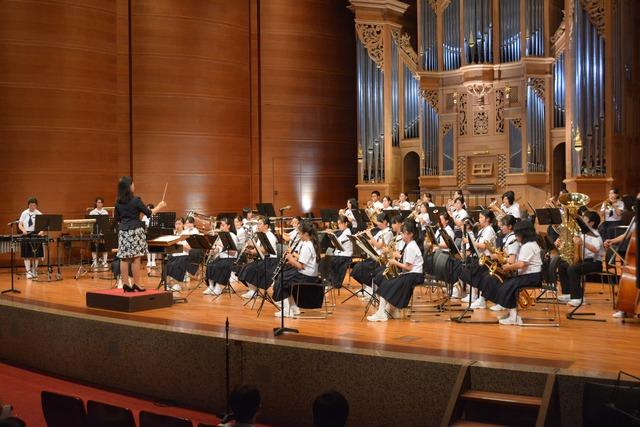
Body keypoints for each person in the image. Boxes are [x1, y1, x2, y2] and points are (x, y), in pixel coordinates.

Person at [114, 176, 166, 292]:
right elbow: (149, 212)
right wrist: (159, 206)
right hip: (135, 230)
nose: (134, 186)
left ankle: (126, 284)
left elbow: (117, 219)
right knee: (135, 258)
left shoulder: (117, 202)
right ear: (129, 187)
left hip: (123, 231)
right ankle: (136, 284)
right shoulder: (136, 200)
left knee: (124, 258)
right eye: (132, 184)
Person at [367, 221, 424, 322]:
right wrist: (399, 256)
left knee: (386, 284)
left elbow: (408, 267)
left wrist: (394, 262)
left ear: (410, 234)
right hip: (412, 274)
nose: (401, 235)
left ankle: (381, 313)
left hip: (413, 276)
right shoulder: (411, 244)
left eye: (403, 233)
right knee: (386, 281)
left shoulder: (411, 247)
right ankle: (392, 311)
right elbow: (409, 262)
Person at [556, 210, 605, 307]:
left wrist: (582, 243)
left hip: (595, 263)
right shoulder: (583, 234)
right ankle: (568, 293)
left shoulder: (596, 234)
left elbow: (595, 249)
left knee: (573, 269)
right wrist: (561, 243)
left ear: (592, 223)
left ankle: (578, 298)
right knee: (562, 266)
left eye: (585, 219)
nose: (581, 221)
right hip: (583, 261)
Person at [273, 220, 321, 317]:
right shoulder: (310, 243)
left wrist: (290, 259)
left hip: (307, 276)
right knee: (285, 276)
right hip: (308, 273)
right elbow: (304, 260)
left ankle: (286, 310)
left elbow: (301, 266)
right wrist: (293, 256)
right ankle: (293, 308)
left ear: (306, 234)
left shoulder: (307, 246)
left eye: (299, 233)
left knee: (282, 280)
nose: (298, 235)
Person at [350, 213, 394, 299]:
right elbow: (371, 242)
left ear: (385, 221)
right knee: (357, 268)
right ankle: (368, 288)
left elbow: (378, 245)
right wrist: (361, 237)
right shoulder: (380, 232)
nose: (377, 223)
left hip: (380, 259)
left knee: (361, 268)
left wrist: (370, 235)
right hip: (373, 256)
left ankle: (370, 289)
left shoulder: (388, 232)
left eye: (379, 221)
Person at [238, 216, 279, 300]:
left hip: (271, 261)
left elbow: (264, 250)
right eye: (258, 224)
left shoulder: (270, 236)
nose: (258, 226)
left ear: (266, 226)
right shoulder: (261, 235)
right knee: (245, 267)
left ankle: (253, 291)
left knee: (250, 268)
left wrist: (253, 247)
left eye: (260, 224)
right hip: (263, 259)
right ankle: (252, 289)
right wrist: (250, 249)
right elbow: (258, 249)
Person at [204, 217, 239, 296]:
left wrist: (222, 245)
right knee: (210, 264)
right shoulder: (220, 236)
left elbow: (233, 252)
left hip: (230, 258)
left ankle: (218, 287)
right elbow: (219, 250)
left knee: (220, 265)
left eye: (223, 225)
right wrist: (214, 250)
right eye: (221, 225)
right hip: (221, 257)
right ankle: (211, 286)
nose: (221, 227)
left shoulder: (232, 236)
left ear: (229, 226)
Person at [165, 216, 200, 291]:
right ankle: (168, 284)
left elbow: (189, 248)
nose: (177, 226)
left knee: (176, 264)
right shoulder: (174, 234)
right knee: (167, 264)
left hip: (183, 256)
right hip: (174, 255)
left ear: (183, 225)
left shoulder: (186, 234)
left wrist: (178, 242)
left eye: (179, 224)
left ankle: (177, 284)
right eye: (176, 224)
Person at [18, 197, 43, 279]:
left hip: (36, 234)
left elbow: (43, 227)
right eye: (31, 205)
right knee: (27, 254)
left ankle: (34, 270)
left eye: (34, 205)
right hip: (26, 234)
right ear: (28, 205)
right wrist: (23, 230)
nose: (32, 207)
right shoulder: (24, 213)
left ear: (36, 206)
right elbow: (20, 224)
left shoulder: (39, 214)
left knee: (36, 255)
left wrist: (41, 231)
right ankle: (28, 272)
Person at [328, 215, 353, 288]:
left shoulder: (347, 232)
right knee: (326, 259)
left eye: (340, 223)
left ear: (346, 223)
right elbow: (334, 244)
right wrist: (331, 236)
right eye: (338, 224)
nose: (339, 226)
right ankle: (332, 281)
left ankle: (334, 281)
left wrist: (332, 235)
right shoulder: (343, 232)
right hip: (340, 254)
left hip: (345, 255)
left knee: (328, 261)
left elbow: (337, 244)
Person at [89, 196, 110, 269]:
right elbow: (90, 224)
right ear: (96, 203)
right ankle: (95, 262)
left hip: (103, 233)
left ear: (102, 204)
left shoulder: (105, 212)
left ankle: (104, 262)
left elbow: (107, 223)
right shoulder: (92, 212)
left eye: (101, 202)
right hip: (95, 232)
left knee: (105, 247)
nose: (99, 204)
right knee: (94, 247)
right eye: (98, 202)